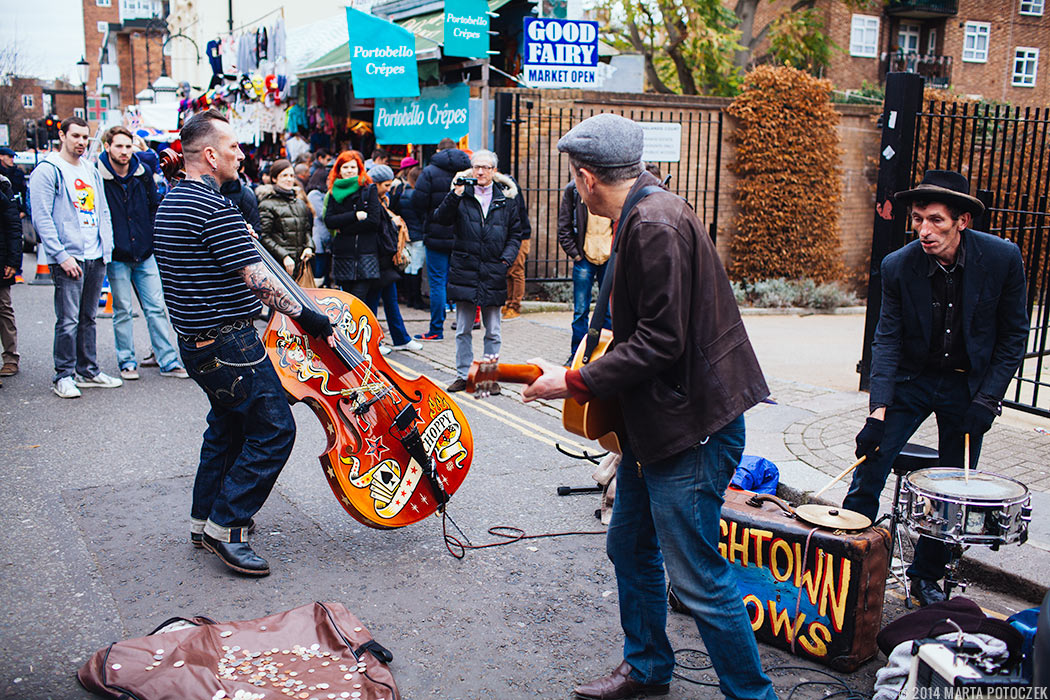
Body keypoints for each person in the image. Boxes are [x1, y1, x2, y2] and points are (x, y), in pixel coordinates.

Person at [521, 114, 775, 700]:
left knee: (698, 577)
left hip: (691, 427)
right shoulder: (646, 211)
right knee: (630, 546)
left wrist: (576, 380)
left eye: (573, 179)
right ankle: (647, 669)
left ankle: (755, 695)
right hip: (660, 422)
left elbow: (663, 340)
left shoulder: (653, 223)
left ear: (585, 179)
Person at [152, 109, 335, 577]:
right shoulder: (210, 207)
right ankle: (226, 527)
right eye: (233, 146)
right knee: (275, 430)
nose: (240, 153)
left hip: (195, 345)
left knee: (228, 428)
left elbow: (210, 263)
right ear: (210, 155)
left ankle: (202, 520)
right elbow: (256, 278)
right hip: (228, 344)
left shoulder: (174, 202)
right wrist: (307, 315)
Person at [845, 169, 1029, 607]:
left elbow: (1013, 335)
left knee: (953, 491)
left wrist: (988, 399)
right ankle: (846, 559)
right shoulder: (898, 265)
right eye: (917, 220)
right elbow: (886, 339)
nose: (924, 231)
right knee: (871, 463)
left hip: (967, 386)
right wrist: (878, 411)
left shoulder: (1002, 258)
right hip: (912, 379)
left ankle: (927, 575)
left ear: (962, 221)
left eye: (936, 221)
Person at [30, 116, 123, 399]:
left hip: (95, 255)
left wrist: (106, 248)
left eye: (85, 137)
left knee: (88, 318)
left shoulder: (90, 169)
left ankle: (88, 370)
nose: (82, 142)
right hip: (69, 256)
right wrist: (60, 255)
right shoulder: (48, 170)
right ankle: (64, 375)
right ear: (63, 136)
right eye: (76, 136)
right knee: (68, 319)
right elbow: (42, 217)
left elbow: (102, 210)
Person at [98, 126, 187, 381]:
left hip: (145, 252)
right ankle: (127, 362)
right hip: (117, 255)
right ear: (108, 147)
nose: (125, 152)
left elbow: (153, 207)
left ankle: (168, 360)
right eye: (119, 146)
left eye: (128, 146)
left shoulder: (143, 172)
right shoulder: (99, 176)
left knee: (157, 307)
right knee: (123, 310)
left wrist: (151, 238)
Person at [434, 149, 522, 393]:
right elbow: (440, 219)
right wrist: (454, 195)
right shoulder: (461, 195)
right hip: (466, 268)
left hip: (493, 269)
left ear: (494, 171)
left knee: (493, 330)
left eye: (485, 167)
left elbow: (517, 233)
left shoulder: (507, 199)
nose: (480, 171)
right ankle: (464, 375)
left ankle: (488, 376)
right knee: (463, 329)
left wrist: (505, 260)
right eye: (476, 167)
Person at [413, 138, 471, 341]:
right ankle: (465, 327)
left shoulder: (429, 171)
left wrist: (427, 219)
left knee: (437, 283)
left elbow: (418, 201)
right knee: (462, 281)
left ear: (438, 150)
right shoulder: (468, 171)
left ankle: (436, 329)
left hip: (436, 235)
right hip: (461, 235)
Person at [557, 180, 613, 366]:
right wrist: (576, 254)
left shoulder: (612, 188)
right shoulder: (574, 189)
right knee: (580, 311)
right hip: (585, 258)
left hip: (608, 258)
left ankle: (603, 355)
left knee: (608, 311)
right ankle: (577, 355)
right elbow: (563, 226)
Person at [366, 164, 421, 354]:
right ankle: (373, 342)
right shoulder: (371, 201)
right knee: (373, 302)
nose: (389, 189)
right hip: (376, 256)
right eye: (386, 185)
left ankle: (400, 338)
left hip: (385, 256)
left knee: (390, 298)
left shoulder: (384, 200)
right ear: (376, 184)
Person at [324, 150, 380, 300]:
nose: (349, 171)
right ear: (339, 170)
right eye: (345, 167)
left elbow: (374, 222)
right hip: (343, 254)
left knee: (358, 301)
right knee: (347, 301)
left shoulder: (369, 189)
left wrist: (344, 227)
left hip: (365, 254)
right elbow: (329, 220)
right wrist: (354, 216)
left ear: (359, 169)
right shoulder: (333, 192)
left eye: (353, 167)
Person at [255, 159, 314, 281]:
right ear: (274, 179)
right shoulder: (267, 204)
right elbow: (264, 236)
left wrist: (309, 247)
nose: (289, 179)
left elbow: (306, 230)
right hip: (278, 264)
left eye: (291, 176)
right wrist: (284, 255)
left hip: (299, 264)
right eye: (284, 175)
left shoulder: (299, 203)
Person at [390, 158, 426, 310]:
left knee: (409, 266)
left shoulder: (402, 192)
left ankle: (409, 297)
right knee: (416, 267)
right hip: (418, 235)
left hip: (406, 234)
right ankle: (415, 299)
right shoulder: (418, 196)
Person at [501, 174, 532, 321]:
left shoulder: (509, 186)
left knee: (517, 270)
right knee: (508, 270)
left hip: (521, 235)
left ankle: (515, 306)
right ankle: (508, 303)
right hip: (512, 235)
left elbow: (516, 214)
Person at [0, 174, 20, 382]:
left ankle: (10, 357)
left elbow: (13, 225)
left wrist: (14, 261)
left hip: (2, 257)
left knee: (4, 308)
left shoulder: (3, 185)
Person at [0, 147, 28, 216]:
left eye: (13, 157)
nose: (12, 159)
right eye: (9, 157)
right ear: (1, 157)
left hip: (16, 210)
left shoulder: (18, 173)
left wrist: (23, 210)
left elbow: (24, 192)